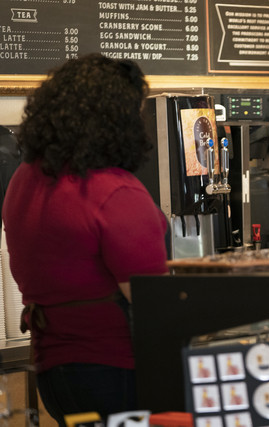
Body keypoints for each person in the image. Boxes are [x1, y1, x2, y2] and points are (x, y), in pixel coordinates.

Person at [2, 54, 168, 425]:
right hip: (115, 369)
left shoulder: (24, 179)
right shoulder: (114, 190)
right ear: (116, 117)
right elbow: (151, 305)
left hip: (55, 372)